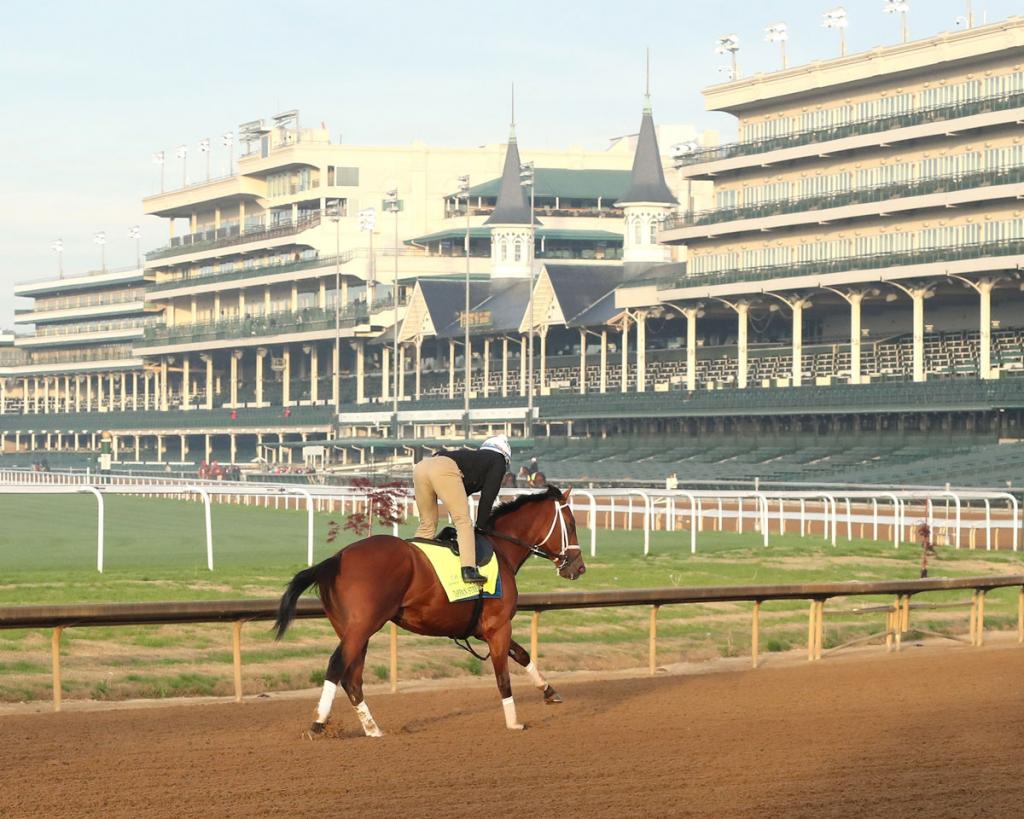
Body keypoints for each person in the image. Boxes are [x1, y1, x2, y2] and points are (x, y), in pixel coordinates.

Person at [413, 434, 510, 586]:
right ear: (505, 455)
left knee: (427, 524)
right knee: (463, 522)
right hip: (444, 468)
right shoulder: (498, 461)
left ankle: (416, 563)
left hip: (422, 466)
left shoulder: (475, 458)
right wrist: (481, 526)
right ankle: (469, 569)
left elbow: (460, 489)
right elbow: (487, 498)